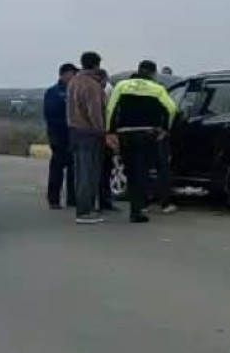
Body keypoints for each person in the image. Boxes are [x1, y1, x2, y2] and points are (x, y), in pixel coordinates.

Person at [106, 60, 178, 223]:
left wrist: (109, 131)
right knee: (143, 171)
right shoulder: (157, 89)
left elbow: (110, 108)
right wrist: (165, 128)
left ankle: (136, 207)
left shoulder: (122, 86)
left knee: (130, 171)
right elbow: (172, 108)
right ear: (153, 73)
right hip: (147, 134)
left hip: (125, 134)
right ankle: (138, 209)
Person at [67, 51, 109, 224]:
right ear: (96, 65)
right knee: (89, 173)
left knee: (80, 172)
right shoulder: (92, 85)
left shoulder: (73, 82)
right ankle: (85, 211)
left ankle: (83, 207)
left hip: (75, 131)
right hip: (89, 133)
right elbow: (95, 113)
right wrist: (103, 132)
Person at [43, 63, 78, 209]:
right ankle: (54, 199)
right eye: (72, 74)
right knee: (57, 168)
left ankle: (72, 199)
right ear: (64, 74)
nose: (74, 77)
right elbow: (50, 114)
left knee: (73, 169)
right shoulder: (54, 92)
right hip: (58, 135)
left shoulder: (74, 91)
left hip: (73, 135)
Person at [97, 69, 117, 212]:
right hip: (99, 135)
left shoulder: (110, 91)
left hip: (106, 135)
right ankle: (101, 201)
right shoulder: (96, 91)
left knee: (105, 170)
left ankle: (105, 200)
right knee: (100, 170)